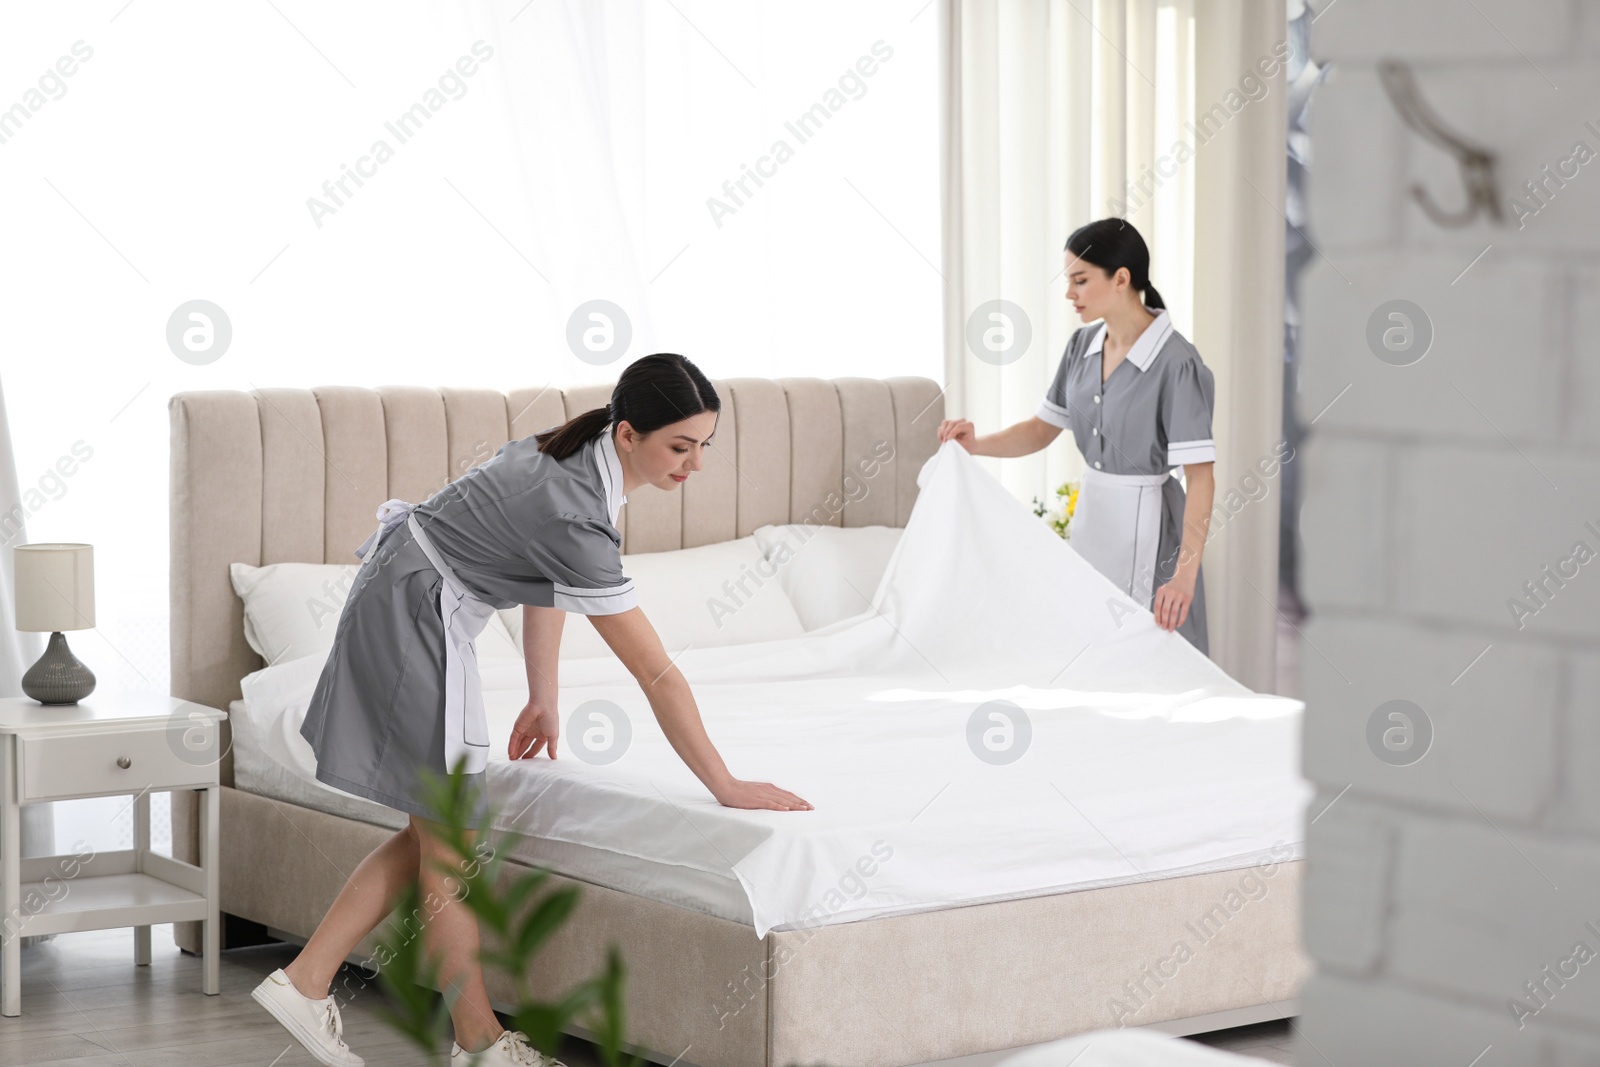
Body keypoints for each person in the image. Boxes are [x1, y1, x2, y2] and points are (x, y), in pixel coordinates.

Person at [251, 353, 812, 1067]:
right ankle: (477, 1042)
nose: (695, 464)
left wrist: (542, 696)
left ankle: (310, 981)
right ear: (631, 432)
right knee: (451, 840)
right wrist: (726, 784)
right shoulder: (581, 509)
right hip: (415, 616)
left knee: (438, 828)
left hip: (407, 598)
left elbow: (547, 579)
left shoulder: (582, 453)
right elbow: (657, 672)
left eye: (706, 446)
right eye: (681, 446)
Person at [939, 219, 1217, 654]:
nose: (1069, 293)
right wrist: (976, 445)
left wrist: (1183, 576)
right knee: (1088, 646)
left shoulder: (1176, 363)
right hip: (1094, 521)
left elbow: (1201, 478)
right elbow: (1039, 430)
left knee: (1150, 657)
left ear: (1121, 278)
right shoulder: (1080, 348)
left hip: (1152, 532)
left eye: (1080, 280)